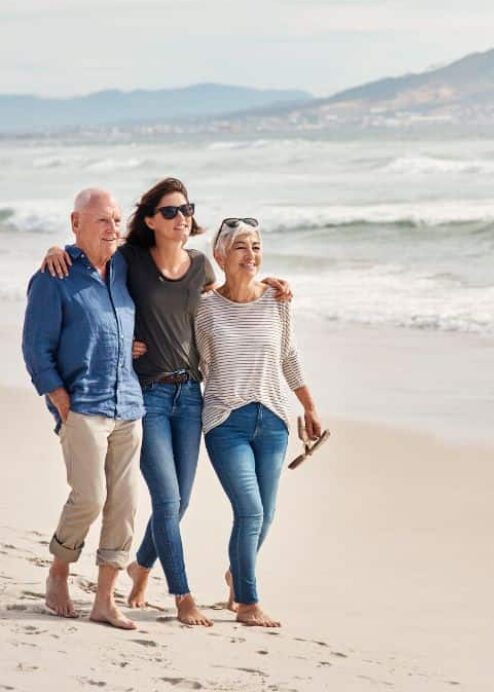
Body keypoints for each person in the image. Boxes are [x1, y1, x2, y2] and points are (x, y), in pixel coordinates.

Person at [40, 178, 292, 627]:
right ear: (152, 220)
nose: (182, 218)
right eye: (171, 211)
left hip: (190, 396)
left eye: (187, 210)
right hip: (147, 396)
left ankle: (141, 566)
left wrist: (269, 284)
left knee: (181, 502)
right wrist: (56, 251)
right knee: (168, 501)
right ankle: (182, 597)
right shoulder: (130, 260)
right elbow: (91, 254)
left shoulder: (201, 267)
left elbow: (232, 297)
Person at [22, 187, 144, 630]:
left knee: (124, 505)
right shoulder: (53, 276)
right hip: (83, 407)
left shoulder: (124, 267)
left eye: (116, 220)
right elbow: (36, 348)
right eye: (102, 220)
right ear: (76, 223)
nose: (112, 228)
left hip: (128, 403)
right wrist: (61, 401)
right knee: (90, 498)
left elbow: (176, 266)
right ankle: (59, 570)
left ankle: (104, 600)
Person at [195, 217, 323, 627]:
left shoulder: (277, 300)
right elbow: (194, 363)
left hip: (273, 421)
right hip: (225, 421)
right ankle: (247, 603)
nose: (251, 255)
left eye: (256, 247)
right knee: (249, 511)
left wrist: (309, 407)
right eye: (241, 247)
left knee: (265, 515)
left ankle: (237, 572)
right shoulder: (204, 307)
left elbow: (288, 357)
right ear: (220, 255)